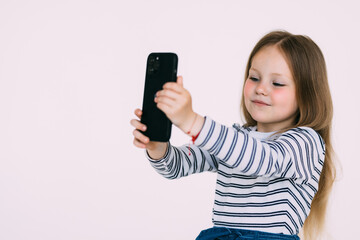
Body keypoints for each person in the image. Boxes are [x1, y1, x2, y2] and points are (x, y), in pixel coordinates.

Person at [130, 30, 336, 240]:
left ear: (307, 94)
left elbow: (260, 159)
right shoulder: (235, 139)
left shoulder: (306, 141)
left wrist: (192, 122)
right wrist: (157, 147)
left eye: (277, 83)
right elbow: (178, 166)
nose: (261, 89)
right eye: (254, 77)